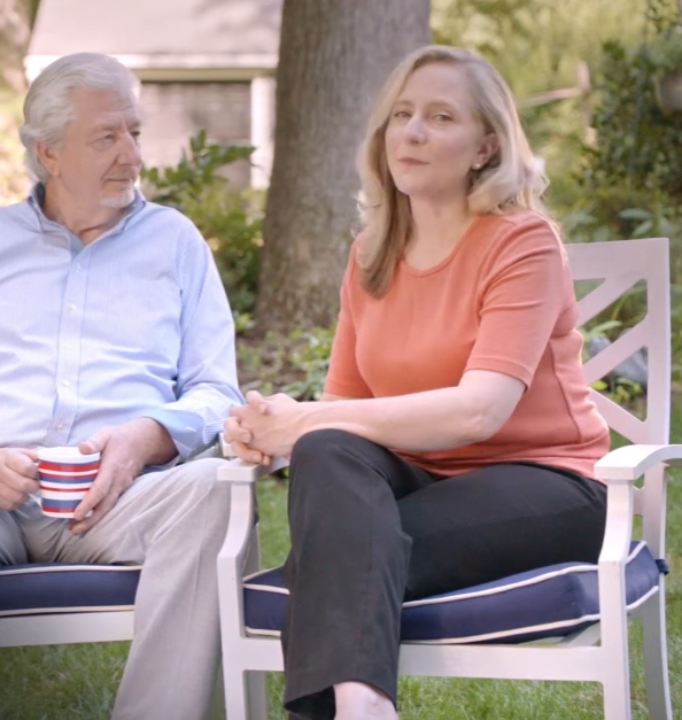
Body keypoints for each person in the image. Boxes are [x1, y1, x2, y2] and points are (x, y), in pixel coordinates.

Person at [224, 45, 609, 720]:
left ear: (487, 146)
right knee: (325, 452)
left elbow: (479, 413)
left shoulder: (522, 243)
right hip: (417, 481)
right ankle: (364, 705)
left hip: (546, 485)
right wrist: (275, 430)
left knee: (336, 550)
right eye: (402, 114)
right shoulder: (370, 256)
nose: (413, 132)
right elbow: (344, 414)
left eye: (441, 117)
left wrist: (304, 420)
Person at [0, 52, 242, 720]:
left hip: (122, 497)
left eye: (134, 133)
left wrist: (145, 438)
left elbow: (217, 391)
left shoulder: (176, 243)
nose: (131, 155)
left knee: (213, 488)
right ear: (49, 152)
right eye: (107, 137)